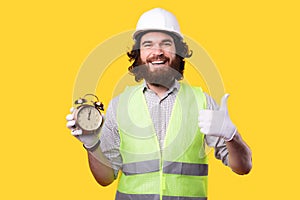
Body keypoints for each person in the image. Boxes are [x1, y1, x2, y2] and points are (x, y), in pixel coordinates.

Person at [66, 8, 252, 200]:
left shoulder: (202, 102)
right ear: (138, 54)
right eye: (148, 45)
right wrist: (92, 144)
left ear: (179, 53)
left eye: (166, 44)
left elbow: (243, 167)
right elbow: (105, 178)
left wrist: (232, 136)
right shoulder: (119, 106)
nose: (157, 52)